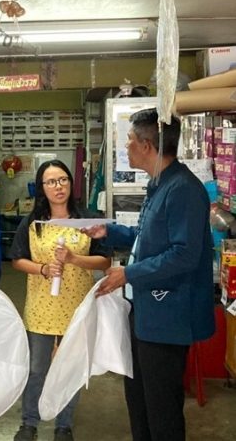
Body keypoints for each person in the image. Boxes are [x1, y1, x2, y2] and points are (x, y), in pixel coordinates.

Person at [83, 108, 215, 441]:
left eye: (129, 140)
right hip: (144, 311)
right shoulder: (159, 183)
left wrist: (128, 274)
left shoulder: (183, 189)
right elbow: (147, 239)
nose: (125, 146)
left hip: (167, 316)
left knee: (161, 409)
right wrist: (109, 232)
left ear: (146, 145)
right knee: (139, 399)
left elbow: (184, 255)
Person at [10, 160, 111, 441]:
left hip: (77, 307)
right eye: (51, 182)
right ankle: (29, 422)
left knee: (71, 367)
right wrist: (43, 269)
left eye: (63, 179)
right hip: (41, 308)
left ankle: (64, 425)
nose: (59, 187)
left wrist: (74, 259)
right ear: (41, 187)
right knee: (37, 368)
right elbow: (17, 259)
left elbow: (105, 260)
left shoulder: (88, 220)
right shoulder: (33, 223)